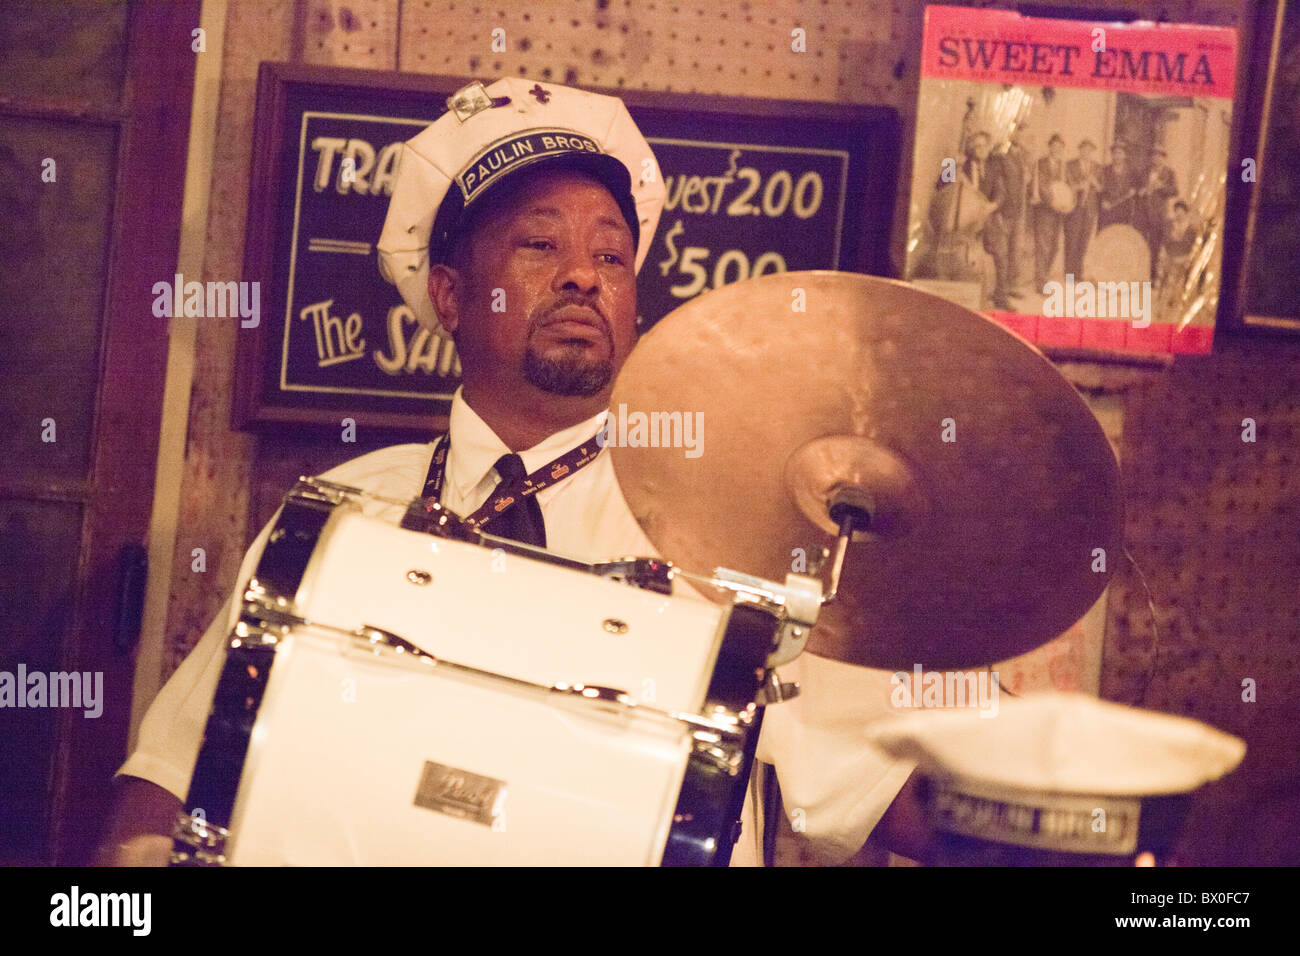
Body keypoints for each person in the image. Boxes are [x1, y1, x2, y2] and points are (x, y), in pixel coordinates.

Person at [97, 77, 927, 867]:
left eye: (612, 255)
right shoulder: (339, 519)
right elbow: (168, 781)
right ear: (452, 297)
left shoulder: (733, 534)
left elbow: (903, 798)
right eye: (541, 244)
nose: (583, 275)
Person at [983, 126, 1031, 310]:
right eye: (978, 146)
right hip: (995, 215)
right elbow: (946, 182)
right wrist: (951, 162)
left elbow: (1001, 189)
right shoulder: (963, 161)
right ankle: (1000, 297)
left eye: (985, 145)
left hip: (1008, 212)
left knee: (1011, 254)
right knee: (1001, 257)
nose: (983, 149)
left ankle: (1005, 290)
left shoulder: (1013, 157)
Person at [1134, 147, 1179, 279]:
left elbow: (1175, 191)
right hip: (1142, 213)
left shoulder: (1169, 173)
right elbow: (1135, 190)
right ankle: (1139, 275)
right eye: (1154, 156)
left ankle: (1152, 276)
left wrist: (1161, 187)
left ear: (1164, 158)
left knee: (1155, 245)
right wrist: (1140, 191)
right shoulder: (1144, 172)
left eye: (1159, 156)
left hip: (1158, 214)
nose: (1156, 159)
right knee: (1141, 243)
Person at [1031, 133, 1069, 289]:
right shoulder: (1041, 163)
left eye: (1060, 147)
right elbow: (1041, 186)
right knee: (1043, 246)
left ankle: (1044, 276)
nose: (1056, 149)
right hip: (1044, 210)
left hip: (1058, 212)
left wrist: (1066, 202)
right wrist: (1053, 202)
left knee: (1054, 246)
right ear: (1050, 146)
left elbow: (1065, 187)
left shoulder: (1062, 166)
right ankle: (1041, 283)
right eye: (1054, 145)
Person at [1063, 139, 1102, 279]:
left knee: (1084, 241)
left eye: (1089, 150)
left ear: (1092, 152)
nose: (1086, 152)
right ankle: (1069, 274)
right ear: (1080, 150)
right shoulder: (1070, 165)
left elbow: (1101, 188)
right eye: (1084, 149)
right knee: (1071, 240)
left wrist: (1094, 183)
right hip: (1074, 207)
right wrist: (1079, 186)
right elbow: (1066, 184)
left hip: (1089, 209)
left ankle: (1078, 273)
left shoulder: (1097, 167)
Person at [1098, 142, 1138, 230]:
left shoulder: (1132, 171)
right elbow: (1100, 189)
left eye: (1120, 153)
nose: (1117, 156)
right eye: (1115, 153)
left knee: (1121, 236)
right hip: (1107, 210)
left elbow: (1136, 189)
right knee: (1106, 235)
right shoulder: (1105, 170)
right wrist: (1103, 201)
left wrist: (1133, 191)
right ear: (1112, 155)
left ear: (1125, 155)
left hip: (1124, 211)